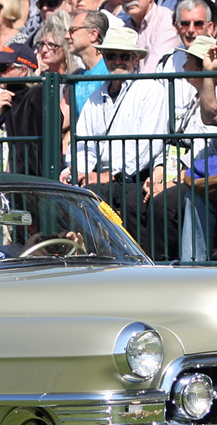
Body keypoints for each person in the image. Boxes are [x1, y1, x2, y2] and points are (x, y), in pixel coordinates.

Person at [62, 26, 177, 261]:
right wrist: (79, 169)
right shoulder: (96, 96)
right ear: (103, 58)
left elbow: (147, 147)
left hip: (137, 176)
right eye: (111, 56)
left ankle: (141, 265)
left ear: (136, 59)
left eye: (124, 56)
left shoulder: (151, 90)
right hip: (104, 177)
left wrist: (107, 176)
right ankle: (87, 262)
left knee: (126, 202)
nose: (118, 61)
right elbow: (83, 143)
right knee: (71, 196)